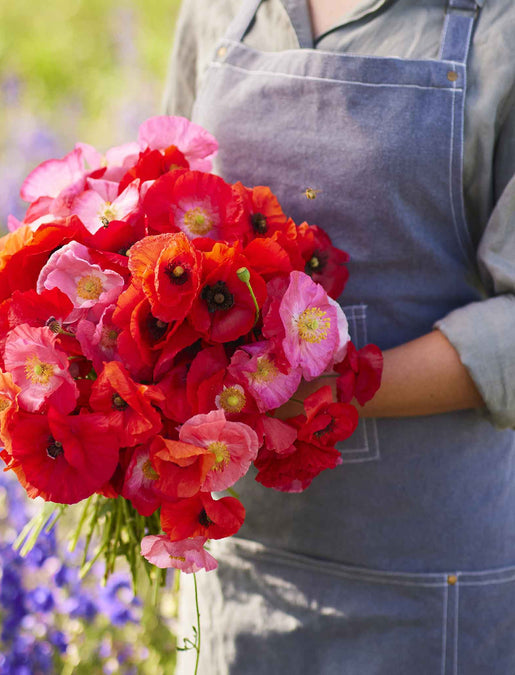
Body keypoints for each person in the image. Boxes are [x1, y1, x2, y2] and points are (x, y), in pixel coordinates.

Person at [162, 0, 515, 672]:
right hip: (238, 562)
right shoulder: (224, 9)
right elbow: (164, 214)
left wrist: (326, 390)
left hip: (426, 580)